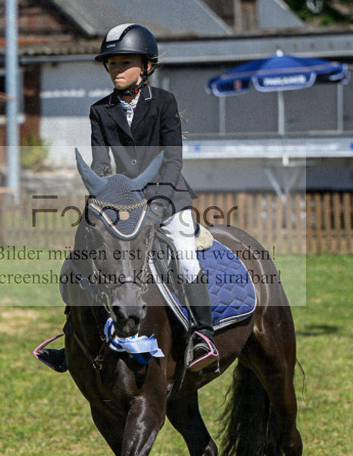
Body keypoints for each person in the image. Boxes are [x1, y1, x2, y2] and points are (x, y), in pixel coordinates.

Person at [36, 22, 219, 374]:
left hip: (167, 196)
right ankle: (70, 334)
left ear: (146, 67)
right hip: (123, 202)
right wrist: (103, 199)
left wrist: (161, 205)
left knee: (185, 255)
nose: (116, 70)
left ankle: (202, 335)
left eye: (124, 63)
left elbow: (172, 159)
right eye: (112, 63)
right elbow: (102, 163)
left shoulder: (165, 102)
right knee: (82, 255)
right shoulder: (100, 110)